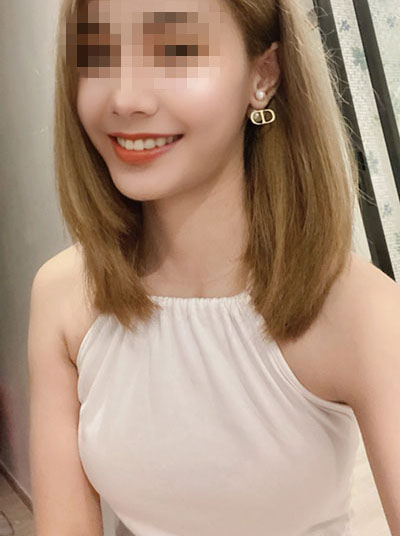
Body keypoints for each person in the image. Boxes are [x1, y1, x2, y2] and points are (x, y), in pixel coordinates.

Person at [27, 0, 400, 535]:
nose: (126, 99)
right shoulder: (64, 297)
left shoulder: (362, 313)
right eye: (98, 54)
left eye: (175, 51)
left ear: (263, 75)